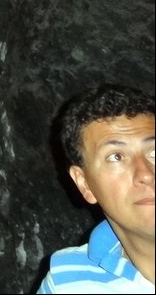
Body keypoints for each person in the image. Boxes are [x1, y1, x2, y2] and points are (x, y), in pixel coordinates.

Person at [38, 83, 154, 294]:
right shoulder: (66, 282)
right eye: (116, 157)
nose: (145, 173)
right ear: (84, 184)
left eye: (154, 152)